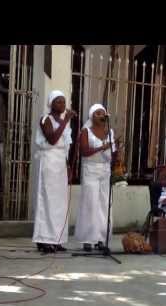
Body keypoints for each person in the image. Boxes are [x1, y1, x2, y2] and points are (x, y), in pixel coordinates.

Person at [32, 90, 77, 253]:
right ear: (51, 103)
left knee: (59, 203)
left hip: (60, 164)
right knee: (48, 201)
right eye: (59, 101)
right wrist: (65, 121)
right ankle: (43, 240)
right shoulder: (46, 119)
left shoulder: (64, 121)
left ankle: (56, 239)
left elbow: (65, 146)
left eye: (64, 102)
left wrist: (69, 167)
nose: (63, 105)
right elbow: (52, 139)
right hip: (49, 162)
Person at [74, 104, 117, 252]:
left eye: (103, 113)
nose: (101, 115)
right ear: (92, 116)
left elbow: (113, 154)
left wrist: (115, 152)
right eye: (98, 113)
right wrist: (101, 148)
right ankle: (88, 239)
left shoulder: (109, 132)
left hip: (105, 171)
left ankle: (101, 238)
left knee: (104, 205)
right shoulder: (86, 131)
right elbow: (84, 152)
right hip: (90, 170)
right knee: (90, 204)